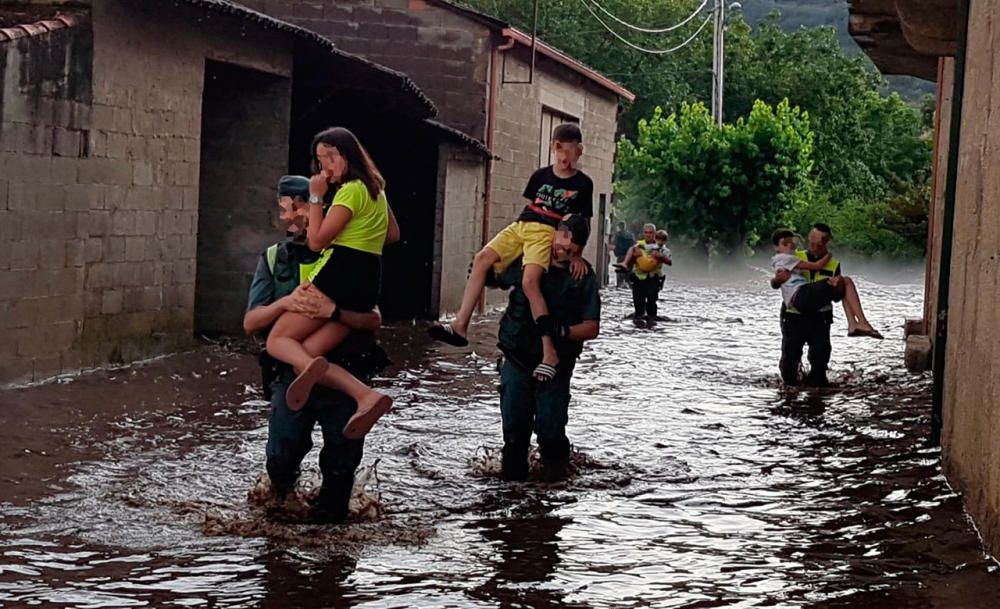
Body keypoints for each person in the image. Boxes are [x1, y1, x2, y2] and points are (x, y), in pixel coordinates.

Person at [244, 175, 388, 523]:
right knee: (282, 454)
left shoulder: (346, 252)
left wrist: (334, 314)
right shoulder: (275, 258)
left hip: (345, 366)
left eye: (293, 209)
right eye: (284, 210)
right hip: (292, 374)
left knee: (342, 463)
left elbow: (374, 318)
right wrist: (285, 304)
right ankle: (278, 516)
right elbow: (251, 322)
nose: (287, 219)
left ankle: (334, 545)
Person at [428, 123, 592, 383]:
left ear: (579, 152)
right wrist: (515, 244)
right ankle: (461, 324)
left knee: (530, 282)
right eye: (562, 153)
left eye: (572, 153)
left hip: (547, 231)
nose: (567, 159)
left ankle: (549, 351)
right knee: (482, 258)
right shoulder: (540, 176)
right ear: (554, 148)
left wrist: (576, 254)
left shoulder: (583, 184)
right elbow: (528, 209)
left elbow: (582, 223)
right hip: (522, 226)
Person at [265, 127, 400, 439]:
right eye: (319, 158)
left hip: (340, 271)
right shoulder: (376, 189)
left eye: (331, 156)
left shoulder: (350, 190)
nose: (325, 165)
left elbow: (315, 242)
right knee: (308, 356)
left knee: (278, 341)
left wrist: (315, 196)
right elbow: (392, 234)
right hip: (367, 277)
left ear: (348, 155)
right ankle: (366, 397)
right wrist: (358, 230)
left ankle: (358, 396)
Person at [489, 215, 601, 482]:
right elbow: (497, 275)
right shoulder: (530, 261)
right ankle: (512, 499)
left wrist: (561, 331)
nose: (564, 250)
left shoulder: (582, 277)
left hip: (556, 367)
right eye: (562, 242)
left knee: (550, 434)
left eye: (573, 247)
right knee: (515, 436)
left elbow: (592, 328)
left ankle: (554, 491)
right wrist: (485, 274)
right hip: (517, 359)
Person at [770, 223, 882, 387]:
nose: (814, 246)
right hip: (794, 316)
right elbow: (775, 282)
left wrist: (836, 287)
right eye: (812, 242)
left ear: (826, 243)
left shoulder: (833, 265)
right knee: (789, 364)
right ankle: (790, 396)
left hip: (820, 318)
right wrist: (777, 280)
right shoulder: (794, 256)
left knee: (820, 364)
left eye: (818, 243)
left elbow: (838, 296)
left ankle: (817, 400)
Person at [623, 223, 670, 320]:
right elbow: (631, 259)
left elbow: (669, 261)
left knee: (651, 304)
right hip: (638, 279)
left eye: (650, 232)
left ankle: (651, 327)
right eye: (646, 232)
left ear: (654, 233)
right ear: (643, 233)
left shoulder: (660, 246)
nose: (648, 235)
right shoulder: (639, 245)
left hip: (653, 279)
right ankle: (639, 326)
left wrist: (661, 256)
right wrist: (628, 264)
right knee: (638, 306)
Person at [611, 222, 635, 288]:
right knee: (629, 272)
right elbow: (633, 245)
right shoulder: (631, 235)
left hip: (621, 256)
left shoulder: (617, 235)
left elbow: (614, 245)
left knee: (620, 272)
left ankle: (620, 285)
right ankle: (629, 284)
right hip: (630, 257)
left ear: (619, 227)